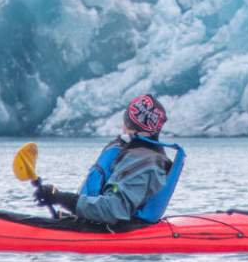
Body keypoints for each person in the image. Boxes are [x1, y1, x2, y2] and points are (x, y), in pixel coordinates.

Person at [35, 94, 184, 228]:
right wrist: (59, 199)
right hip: (96, 224)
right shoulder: (136, 154)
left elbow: (113, 210)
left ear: (128, 123)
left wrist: (61, 198)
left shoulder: (145, 163)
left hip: (116, 231)